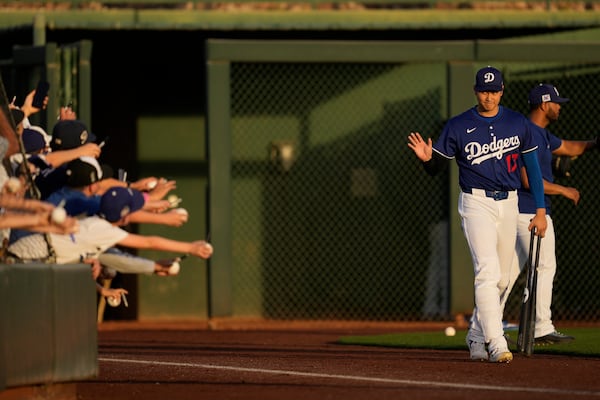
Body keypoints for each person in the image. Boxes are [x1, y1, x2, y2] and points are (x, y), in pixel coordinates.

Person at [407, 66, 548, 363]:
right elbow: (436, 168)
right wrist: (425, 160)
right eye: (484, 90)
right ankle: (496, 342)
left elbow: (532, 168)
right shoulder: (458, 126)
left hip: (509, 202)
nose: (489, 96)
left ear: (502, 91)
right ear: (475, 91)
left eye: (494, 90)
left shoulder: (516, 122)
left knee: (503, 280)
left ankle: (475, 334)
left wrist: (540, 210)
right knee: (487, 271)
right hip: (476, 203)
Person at [500, 83, 597, 346]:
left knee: (506, 276)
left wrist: (594, 144)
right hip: (530, 211)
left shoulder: (540, 134)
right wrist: (564, 190)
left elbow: (570, 147)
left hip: (521, 212)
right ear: (544, 105)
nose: (559, 107)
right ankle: (541, 326)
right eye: (556, 103)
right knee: (543, 267)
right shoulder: (527, 132)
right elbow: (527, 179)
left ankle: (487, 326)